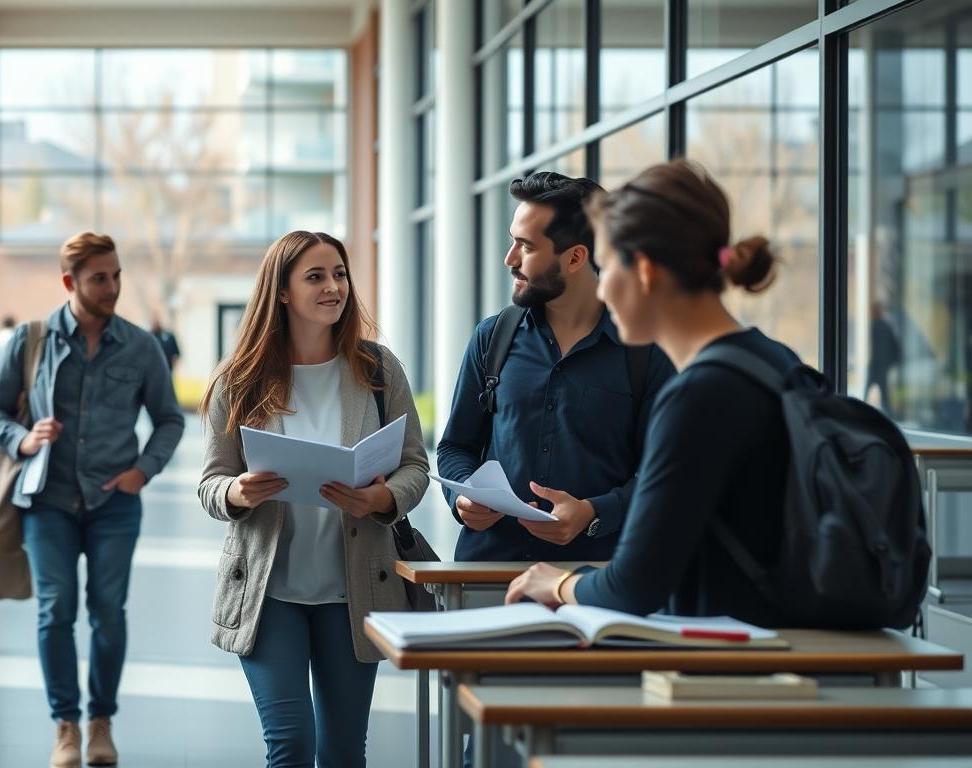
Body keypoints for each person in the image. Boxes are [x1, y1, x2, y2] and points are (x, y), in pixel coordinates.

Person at [504, 159, 800, 626]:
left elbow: (634, 583)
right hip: (783, 643)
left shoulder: (699, 396)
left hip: (742, 662)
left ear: (642, 271)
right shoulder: (774, 360)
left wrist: (556, 583)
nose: (602, 290)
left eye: (607, 264)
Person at [198, 230, 429, 767]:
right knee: (291, 746)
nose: (334, 287)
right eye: (316, 276)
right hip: (268, 592)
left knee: (345, 752)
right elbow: (211, 483)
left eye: (340, 274)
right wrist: (236, 491)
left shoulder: (377, 369)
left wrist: (381, 499)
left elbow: (416, 465)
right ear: (281, 291)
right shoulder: (239, 381)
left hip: (353, 589)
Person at [0, 231, 184, 768]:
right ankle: (65, 725)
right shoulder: (32, 339)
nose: (112, 286)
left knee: (108, 613)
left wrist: (144, 470)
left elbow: (168, 419)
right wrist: (20, 440)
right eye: (99, 278)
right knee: (55, 610)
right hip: (48, 500)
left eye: (116, 275)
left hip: (116, 503)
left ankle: (101, 721)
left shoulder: (141, 347)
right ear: (70, 282)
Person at [437, 172, 674, 564]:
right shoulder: (491, 338)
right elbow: (455, 447)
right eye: (513, 240)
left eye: (526, 246)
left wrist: (595, 513)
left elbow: (663, 475)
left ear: (576, 257)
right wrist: (462, 494)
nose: (509, 259)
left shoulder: (644, 352)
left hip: (594, 582)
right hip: (487, 576)